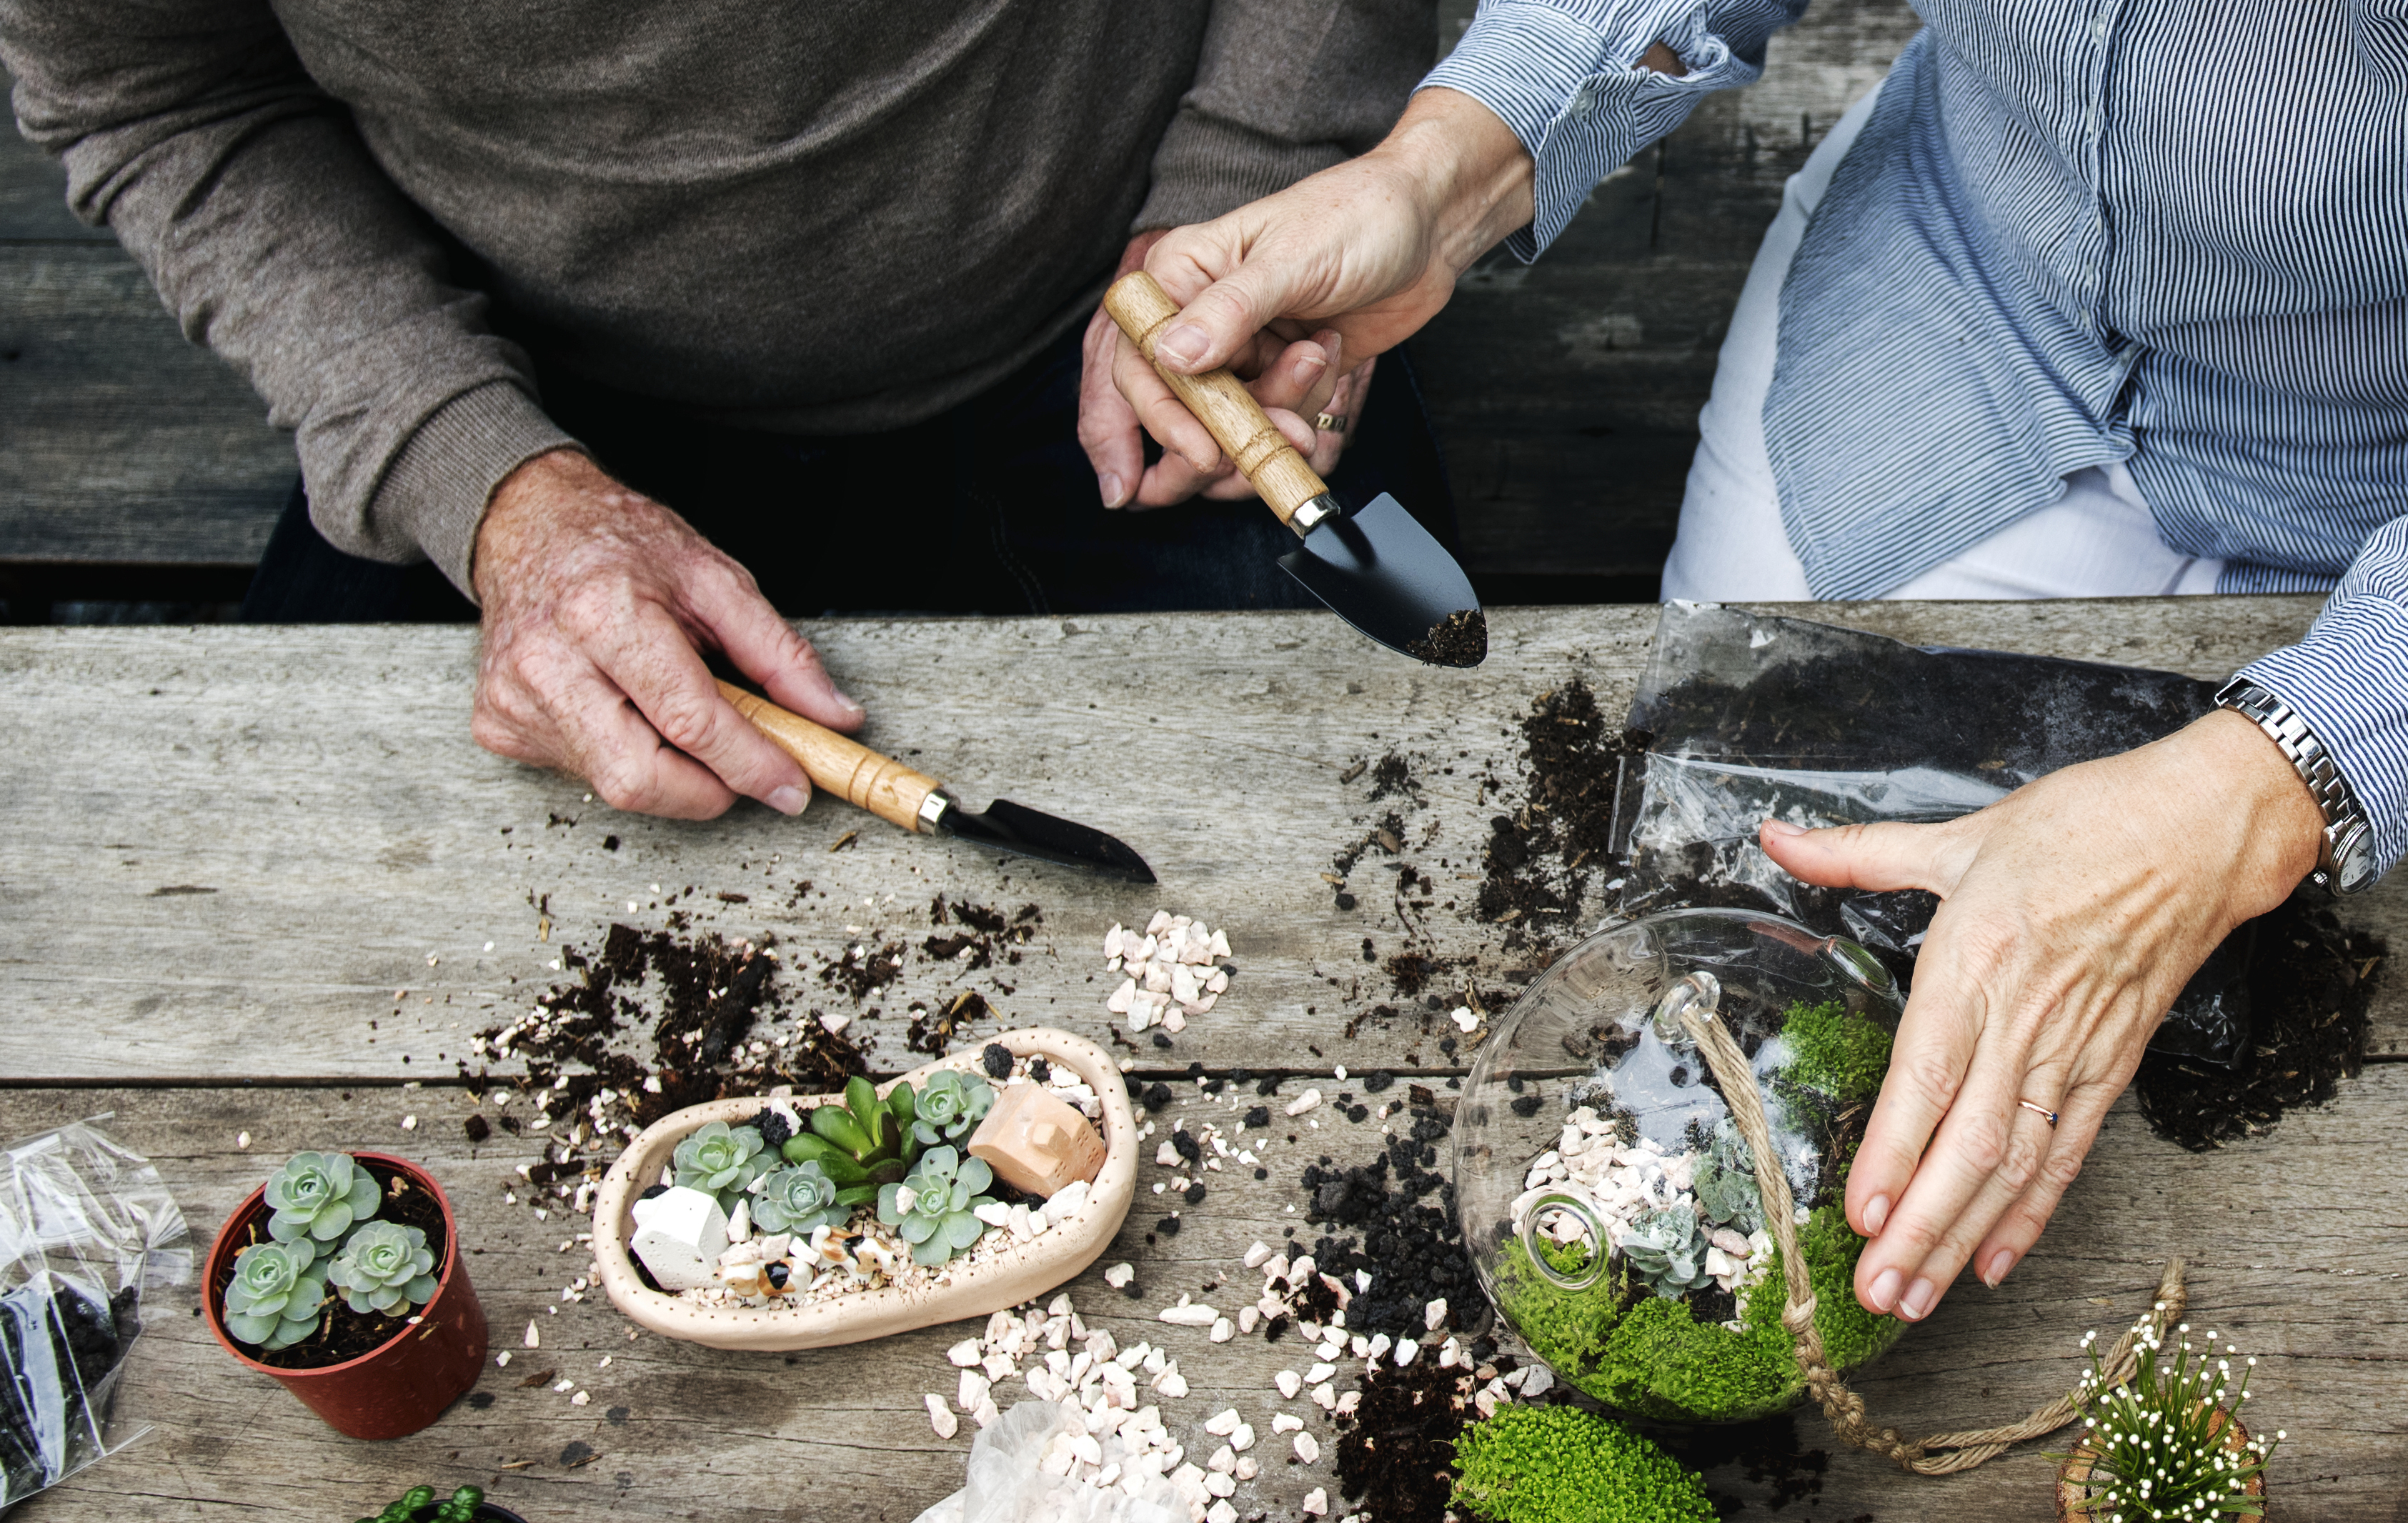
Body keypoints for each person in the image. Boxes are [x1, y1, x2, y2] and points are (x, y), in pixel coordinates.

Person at [1104, 3, 2407, 1327]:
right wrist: (1436, 179)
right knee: (1724, 860)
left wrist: (2274, 778)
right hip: (1951, 318)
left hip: (2359, 478)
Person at [0, 0, 1452, 819]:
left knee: (1387, 819)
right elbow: (159, 97)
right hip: (519, 390)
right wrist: (471, 470)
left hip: (1139, 296)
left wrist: (1241, 186)